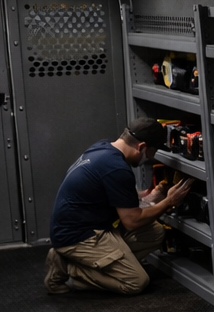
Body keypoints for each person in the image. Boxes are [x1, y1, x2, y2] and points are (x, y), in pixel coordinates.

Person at [45, 118, 194, 295]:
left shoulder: (104, 148)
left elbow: (114, 194)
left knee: (154, 232)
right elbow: (131, 221)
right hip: (79, 237)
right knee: (136, 281)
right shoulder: (117, 168)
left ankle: (97, 265)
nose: (151, 157)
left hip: (84, 226)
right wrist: (168, 202)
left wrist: (149, 197)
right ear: (141, 147)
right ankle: (69, 267)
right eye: (152, 151)